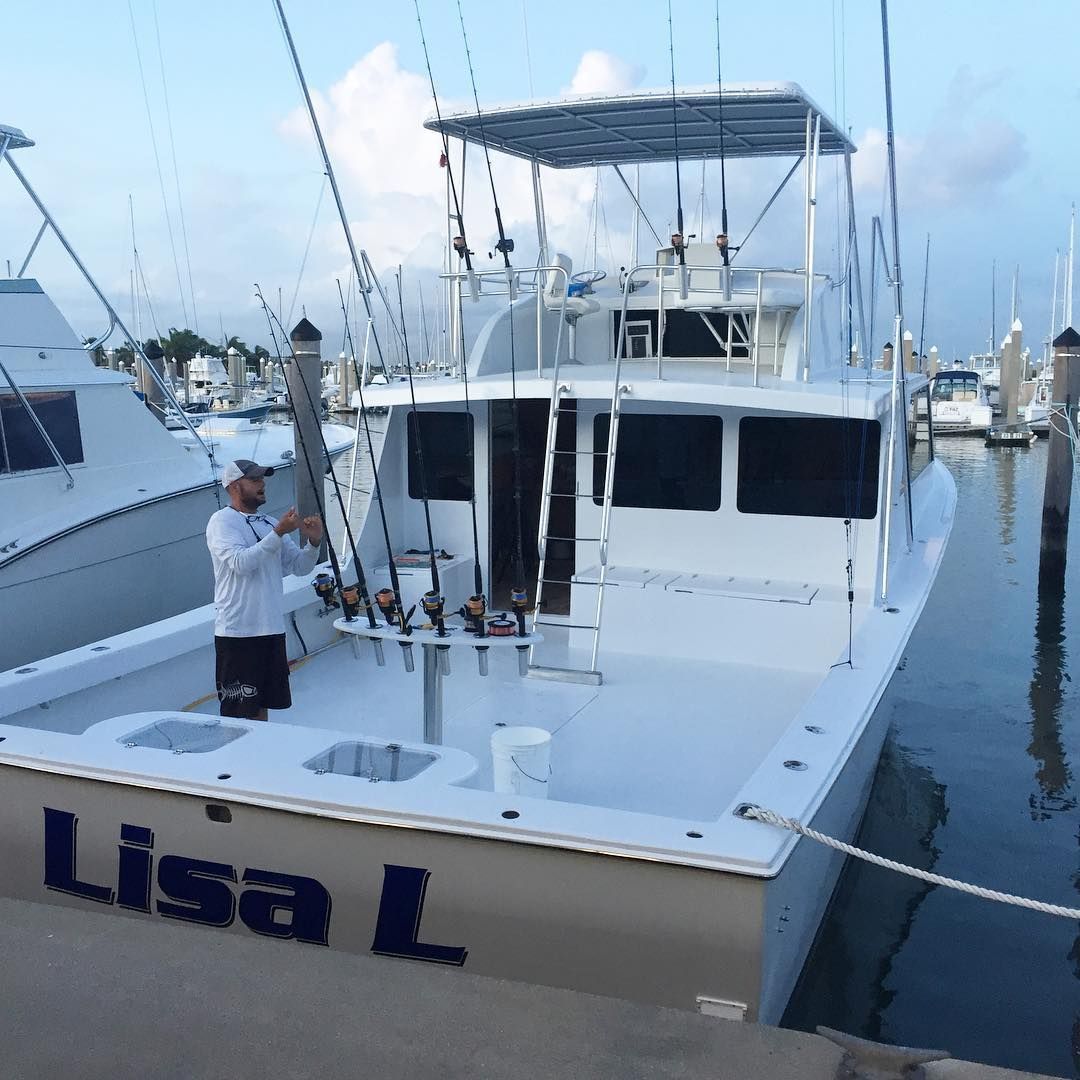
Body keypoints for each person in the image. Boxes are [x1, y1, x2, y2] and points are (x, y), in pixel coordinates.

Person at [205, 458, 324, 720]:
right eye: (255, 480)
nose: (262, 484)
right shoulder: (221, 522)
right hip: (237, 633)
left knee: (263, 707)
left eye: (263, 479)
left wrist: (314, 543)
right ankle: (233, 761)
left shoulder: (268, 522)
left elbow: (299, 566)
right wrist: (279, 533)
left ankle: (259, 758)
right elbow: (240, 563)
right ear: (235, 487)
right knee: (237, 714)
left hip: (270, 630)